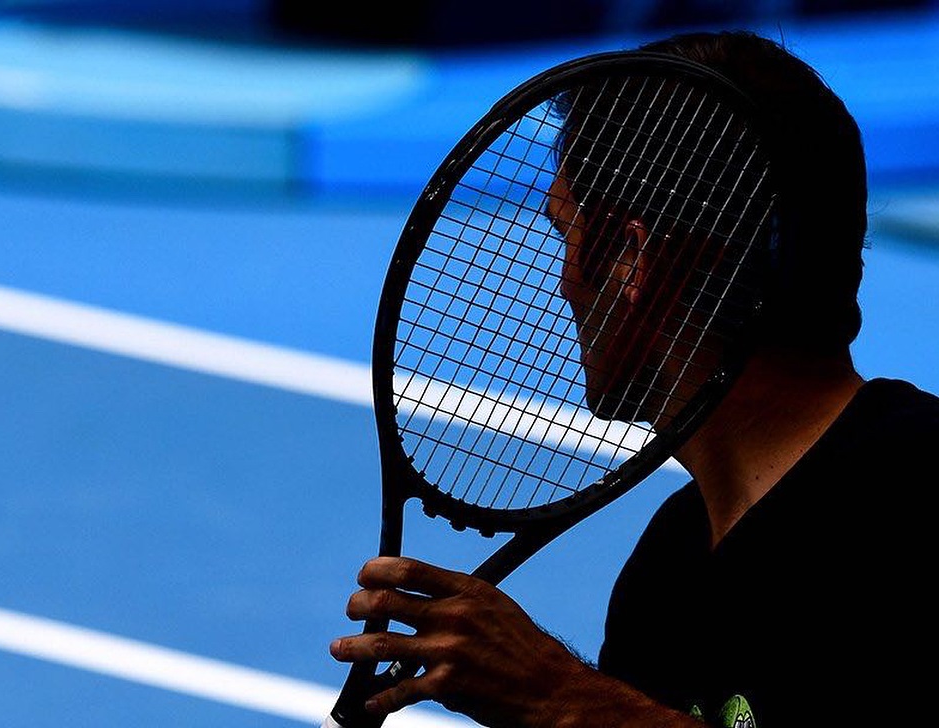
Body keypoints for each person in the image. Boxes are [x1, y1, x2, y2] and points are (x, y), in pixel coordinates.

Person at [328, 29, 938, 727]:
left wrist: (567, 703)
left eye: (565, 232)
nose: (561, 286)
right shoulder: (667, 577)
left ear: (627, 256)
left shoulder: (919, 505)